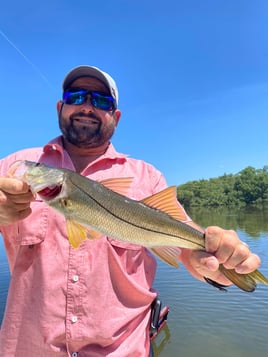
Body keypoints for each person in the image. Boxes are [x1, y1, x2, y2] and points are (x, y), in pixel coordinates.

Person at [0, 65, 261, 357]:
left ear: (116, 116)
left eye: (101, 101)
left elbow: (186, 249)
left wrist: (212, 257)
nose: (87, 106)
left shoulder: (146, 176)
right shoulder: (14, 163)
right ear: (60, 106)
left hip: (123, 350)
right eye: (76, 97)